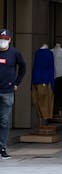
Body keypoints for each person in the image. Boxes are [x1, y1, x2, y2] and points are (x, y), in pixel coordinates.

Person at [0, 29, 26, 159]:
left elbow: (23, 67)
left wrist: (16, 83)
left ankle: (2, 147)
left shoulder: (14, 53)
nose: (3, 41)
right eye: (1, 38)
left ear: (9, 40)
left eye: (5, 39)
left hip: (7, 91)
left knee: (4, 121)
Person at [31, 44, 55, 125]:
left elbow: (35, 67)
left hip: (35, 80)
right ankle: (45, 120)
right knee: (45, 101)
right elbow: (51, 69)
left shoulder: (37, 53)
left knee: (36, 100)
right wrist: (52, 83)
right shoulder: (49, 53)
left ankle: (40, 119)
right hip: (45, 80)